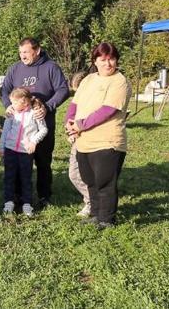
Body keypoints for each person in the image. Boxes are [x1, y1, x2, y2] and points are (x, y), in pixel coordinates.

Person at [65, 42, 130, 230]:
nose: (107, 63)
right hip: (84, 140)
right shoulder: (89, 79)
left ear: (116, 60)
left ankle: (107, 219)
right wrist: (69, 122)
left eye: (111, 59)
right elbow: (74, 104)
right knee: (90, 180)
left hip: (107, 141)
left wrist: (80, 124)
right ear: (95, 61)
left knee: (105, 182)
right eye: (103, 60)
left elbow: (107, 110)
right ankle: (95, 213)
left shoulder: (120, 81)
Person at [0, 38, 69, 208]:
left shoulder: (51, 67)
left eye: (26, 52)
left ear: (37, 51)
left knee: (43, 162)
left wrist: (48, 106)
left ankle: (44, 196)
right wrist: (8, 106)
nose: (23, 56)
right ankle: (16, 196)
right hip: (19, 130)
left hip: (41, 125)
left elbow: (63, 90)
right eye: (21, 52)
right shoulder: (15, 69)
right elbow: (4, 90)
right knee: (18, 164)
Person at [0, 87, 48, 217]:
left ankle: (27, 204)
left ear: (25, 101)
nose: (12, 106)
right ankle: (8, 202)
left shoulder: (35, 113)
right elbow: (5, 130)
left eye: (14, 103)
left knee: (26, 178)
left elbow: (43, 130)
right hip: (10, 150)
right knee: (9, 177)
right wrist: (2, 147)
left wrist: (33, 142)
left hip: (26, 152)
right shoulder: (12, 113)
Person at [66, 71, 91, 217]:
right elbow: (70, 117)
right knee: (74, 174)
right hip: (77, 141)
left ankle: (92, 202)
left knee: (91, 175)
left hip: (94, 141)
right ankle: (91, 199)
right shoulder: (77, 100)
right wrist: (70, 132)